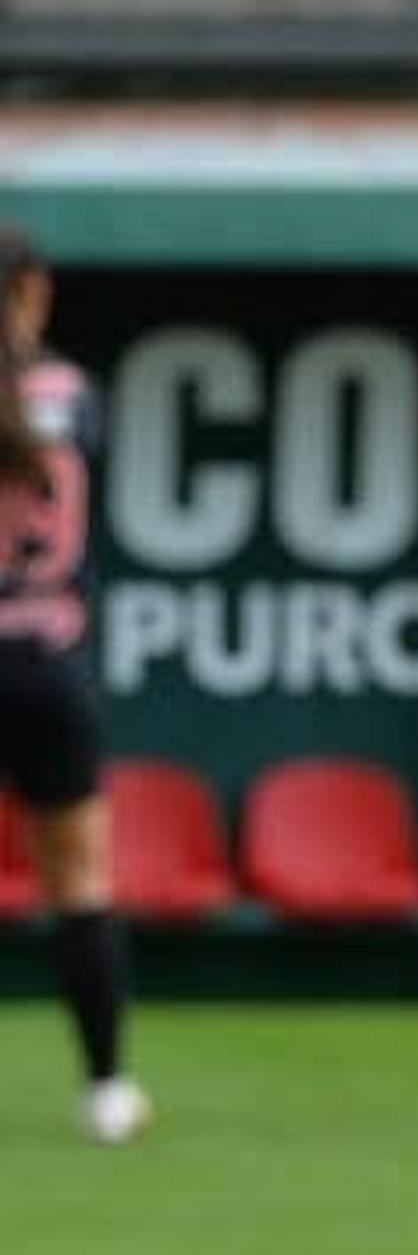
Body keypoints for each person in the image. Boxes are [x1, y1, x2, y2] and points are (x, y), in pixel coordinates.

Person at [0, 230, 149, 1144]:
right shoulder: (72, 392)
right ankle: (106, 1088)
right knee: (80, 880)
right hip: (49, 662)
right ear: (33, 291)